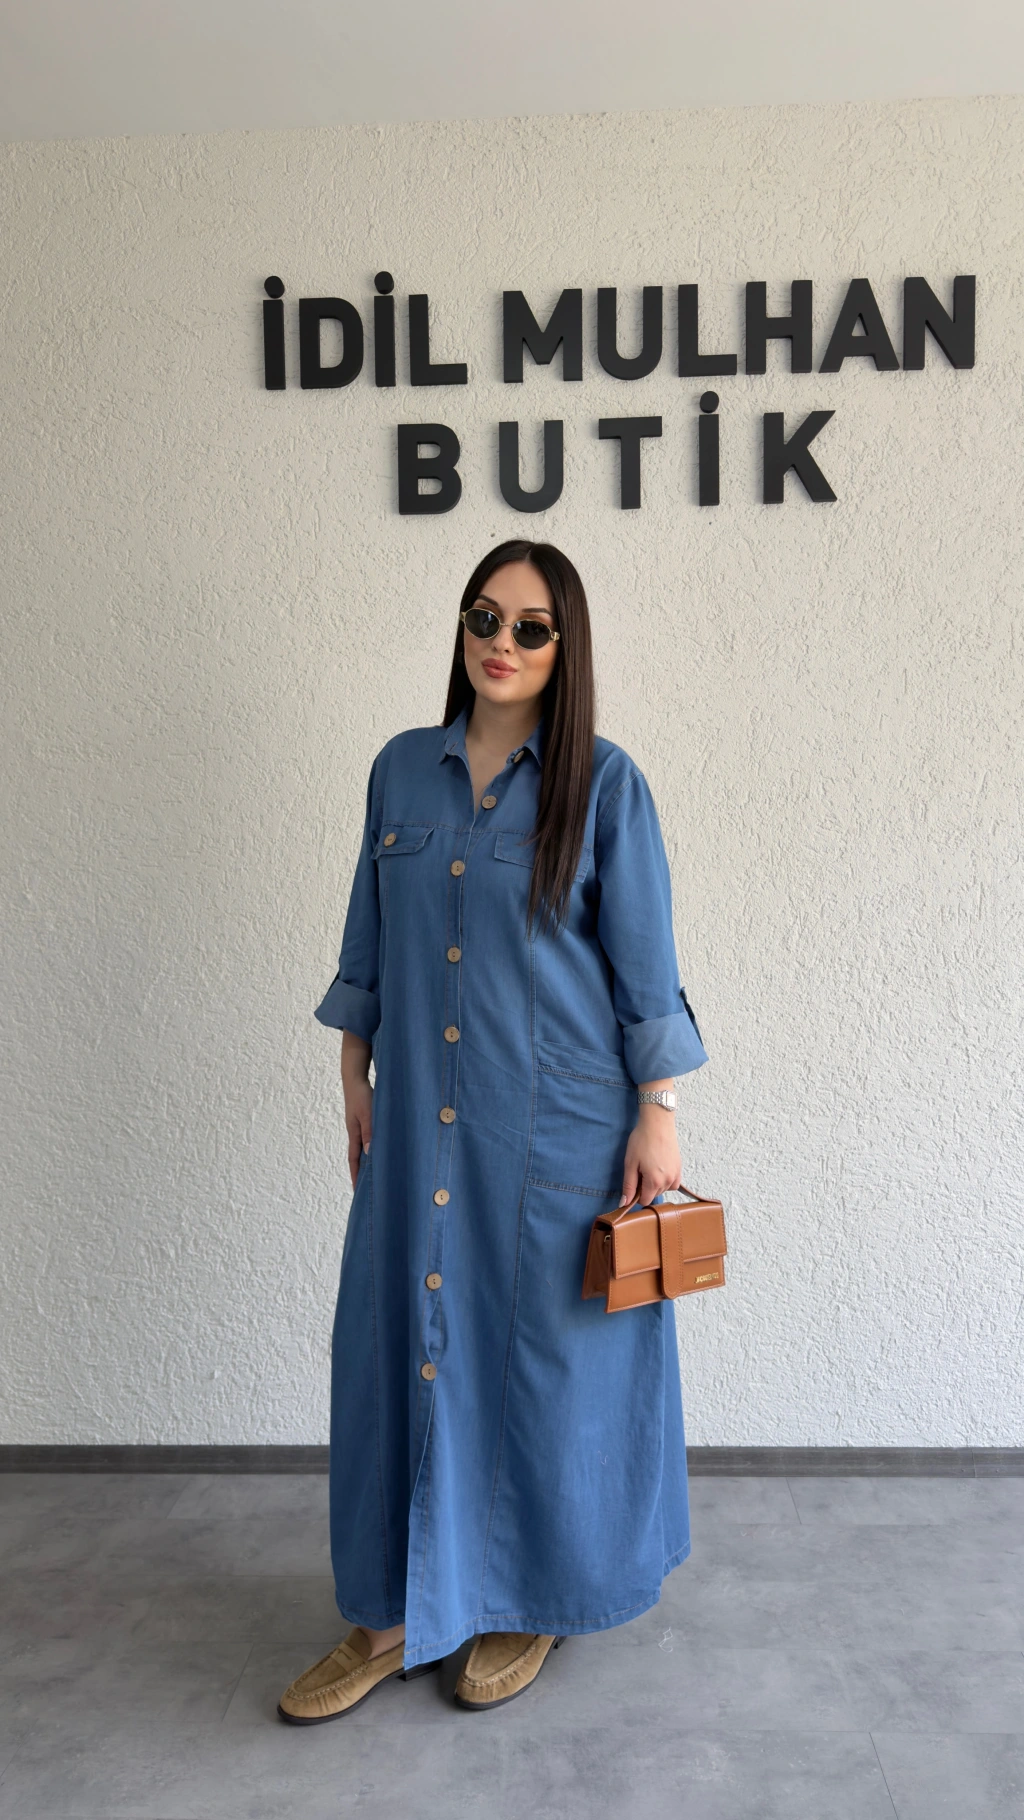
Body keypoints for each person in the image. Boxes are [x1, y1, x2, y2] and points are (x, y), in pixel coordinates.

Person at [278, 539, 708, 1723]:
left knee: (546, 1364)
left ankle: (529, 1595)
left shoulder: (604, 785)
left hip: (560, 1126)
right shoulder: (399, 772)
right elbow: (368, 930)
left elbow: (645, 968)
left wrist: (659, 1112)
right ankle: (387, 1610)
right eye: (483, 616)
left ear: (564, 648)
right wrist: (354, 1065)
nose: (500, 642)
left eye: (529, 625)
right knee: (398, 1343)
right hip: (420, 1117)